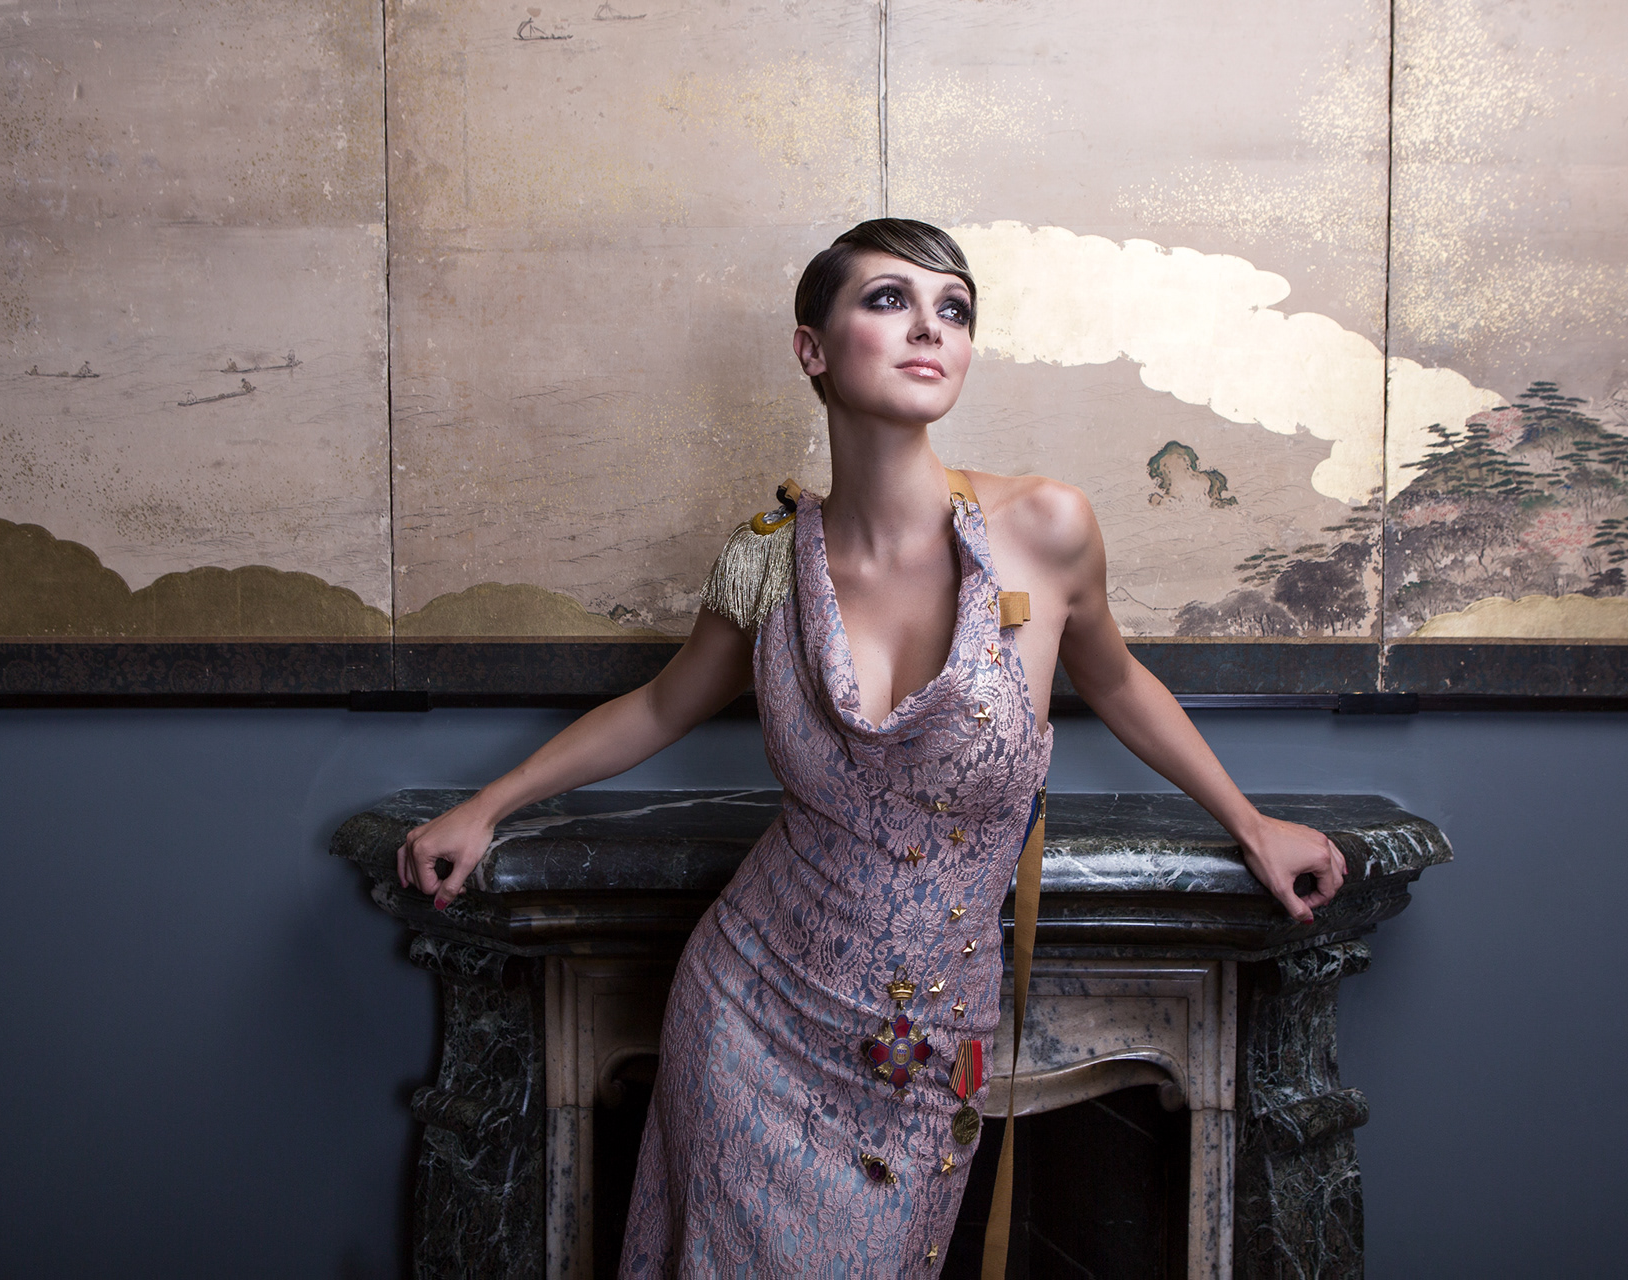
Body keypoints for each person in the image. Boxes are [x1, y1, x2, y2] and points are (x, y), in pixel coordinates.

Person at [395, 219, 1346, 1274]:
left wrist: (1249, 822)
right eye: (889, 299)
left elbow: (1117, 683)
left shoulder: (1046, 528)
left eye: (954, 309)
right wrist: (487, 806)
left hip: (924, 1045)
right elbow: (659, 709)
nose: (929, 327)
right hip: (746, 1007)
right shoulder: (764, 564)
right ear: (812, 348)